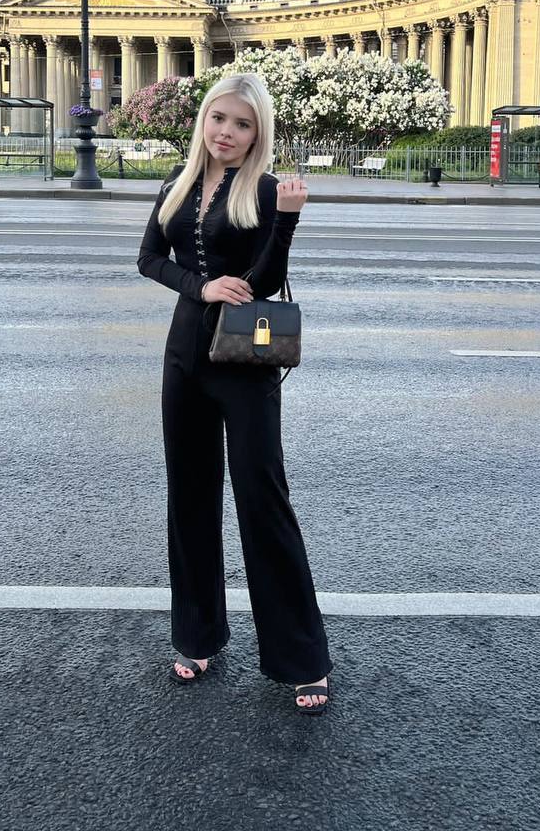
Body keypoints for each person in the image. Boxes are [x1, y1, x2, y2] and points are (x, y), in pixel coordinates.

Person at [137, 72, 332, 715]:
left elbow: (267, 280)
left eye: (242, 124)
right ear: (204, 120)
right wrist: (202, 287)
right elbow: (149, 259)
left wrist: (288, 222)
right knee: (190, 498)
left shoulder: (267, 189)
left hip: (246, 360)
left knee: (262, 500)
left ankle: (301, 659)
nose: (226, 132)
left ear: (257, 134)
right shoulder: (177, 182)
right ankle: (198, 636)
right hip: (184, 359)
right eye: (219, 118)